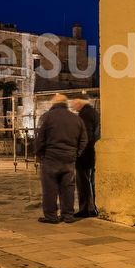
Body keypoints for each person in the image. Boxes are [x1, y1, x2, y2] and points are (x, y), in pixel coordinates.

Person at [34, 93, 88, 224]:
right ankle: (68, 215)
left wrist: (39, 154)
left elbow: (40, 138)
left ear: (53, 103)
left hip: (51, 157)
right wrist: (76, 153)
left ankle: (51, 216)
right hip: (69, 158)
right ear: (66, 104)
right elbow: (84, 139)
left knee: (50, 187)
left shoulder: (47, 117)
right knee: (68, 187)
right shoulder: (76, 119)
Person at [71, 97, 100, 218]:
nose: (73, 107)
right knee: (90, 181)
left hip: (85, 154)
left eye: (74, 104)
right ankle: (92, 207)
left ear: (79, 103)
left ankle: (86, 209)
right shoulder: (93, 112)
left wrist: (79, 152)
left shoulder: (85, 114)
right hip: (91, 152)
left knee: (83, 182)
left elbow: (85, 136)